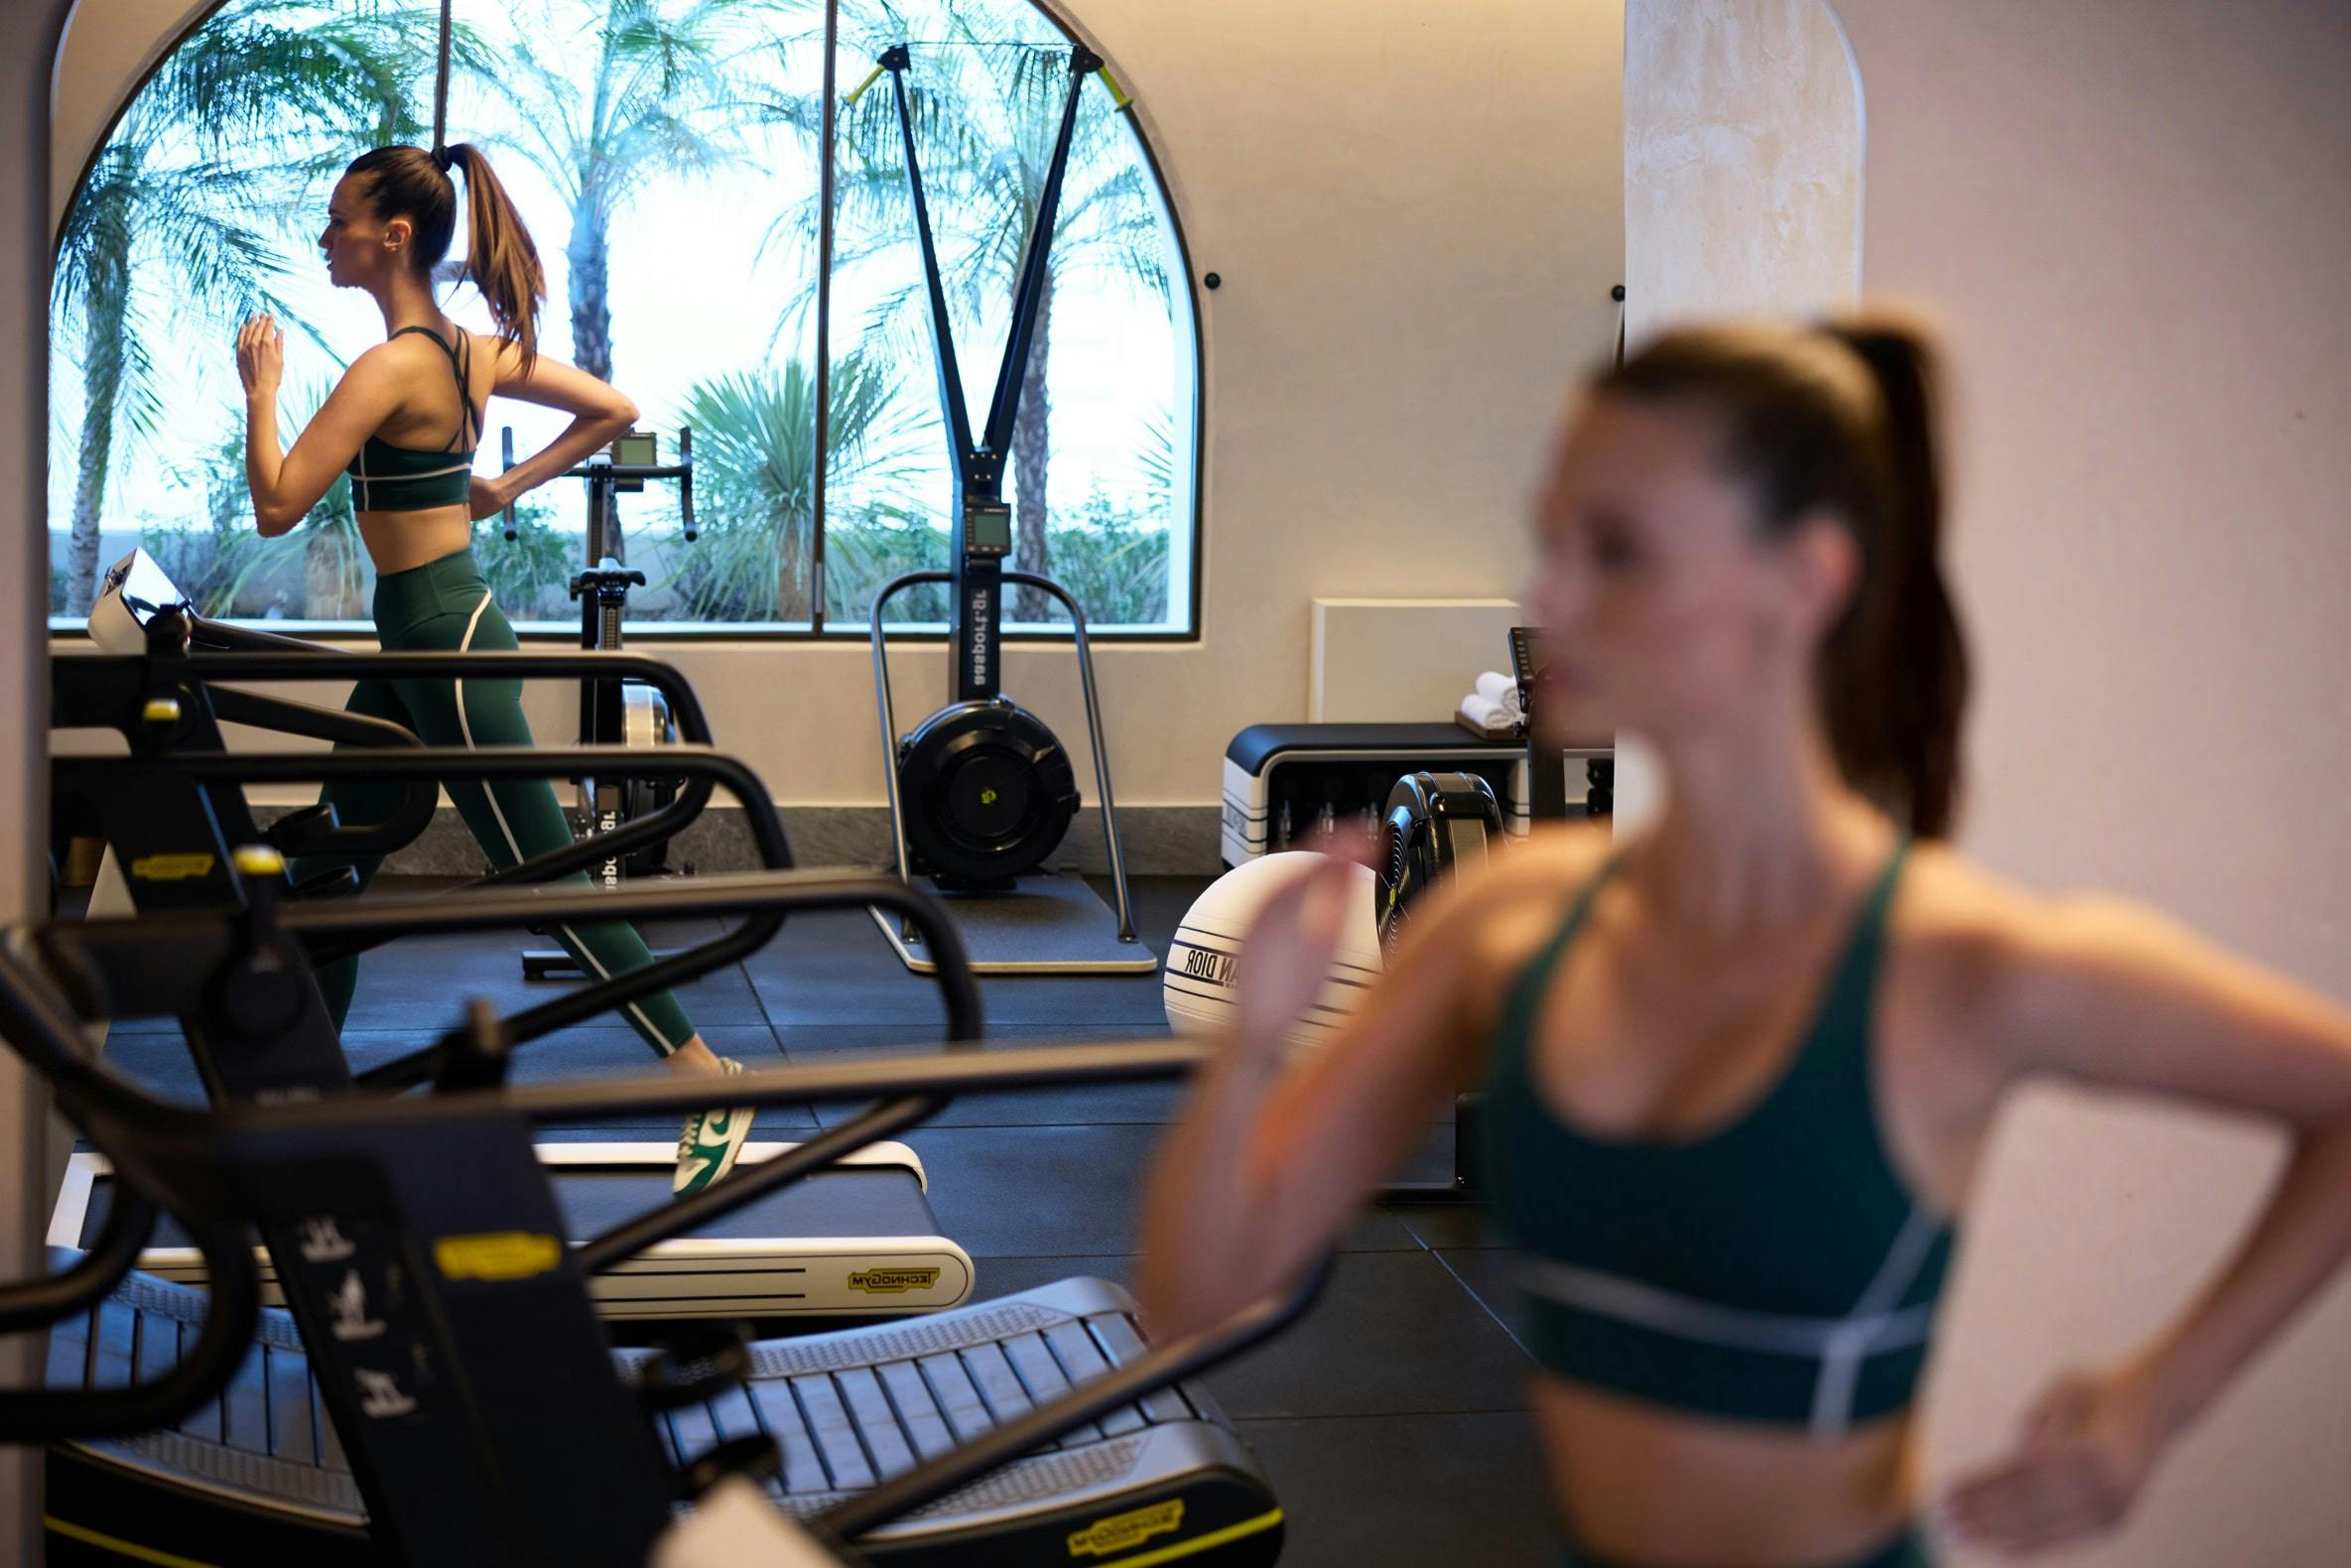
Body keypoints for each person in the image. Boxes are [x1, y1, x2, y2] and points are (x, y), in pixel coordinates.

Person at [1137, 319, 2351, 1566]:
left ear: (1804, 577)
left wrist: (2158, 1397)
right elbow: (1196, 1298)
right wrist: (1249, 1053)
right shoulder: (1507, 922)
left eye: (1613, 549)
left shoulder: (1963, 964)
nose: (1548, 601)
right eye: (1551, 540)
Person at [232, 142, 751, 1195]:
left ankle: (705, 1074)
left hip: (445, 639)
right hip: (422, 630)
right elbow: (611, 407)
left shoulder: (389, 368)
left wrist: (263, 387)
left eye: (337, 221)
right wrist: (503, 486)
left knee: (546, 871)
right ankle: (296, 1100)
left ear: (394, 235)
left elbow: (279, 501)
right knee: (335, 854)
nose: (323, 238)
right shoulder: (463, 353)